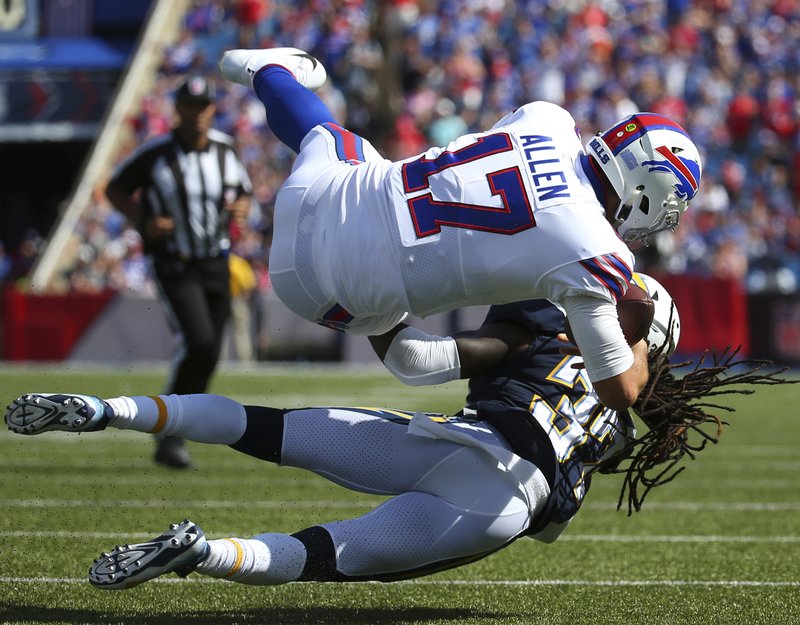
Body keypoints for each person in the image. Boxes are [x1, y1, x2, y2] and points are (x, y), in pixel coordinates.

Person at [6, 275, 788, 589]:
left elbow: (421, 358)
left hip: (454, 440)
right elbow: (550, 530)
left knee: (265, 426)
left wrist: (366, 304)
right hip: (501, 496)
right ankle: (200, 551)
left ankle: (109, 410)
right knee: (327, 552)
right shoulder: (619, 423)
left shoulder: (552, 331)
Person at [215, 47, 704, 411]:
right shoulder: (596, 253)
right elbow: (619, 392)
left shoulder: (548, 117)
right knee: (422, 340)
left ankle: (269, 72)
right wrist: (642, 337)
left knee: (330, 138)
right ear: (646, 187)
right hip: (323, 297)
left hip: (313, 193)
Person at [105, 75, 253, 469]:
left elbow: (243, 191)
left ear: (211, 109)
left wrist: (241, 207)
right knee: (198, 341)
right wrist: (143, 219)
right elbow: (115, 189)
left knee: (209, 353)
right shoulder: (156, 154)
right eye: (190, 105)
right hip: (175, 262)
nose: (198, 113)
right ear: (179, 109)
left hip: (216, 262)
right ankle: (169, 430)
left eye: (204, 106)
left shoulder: (225, 148)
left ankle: (178, 427)